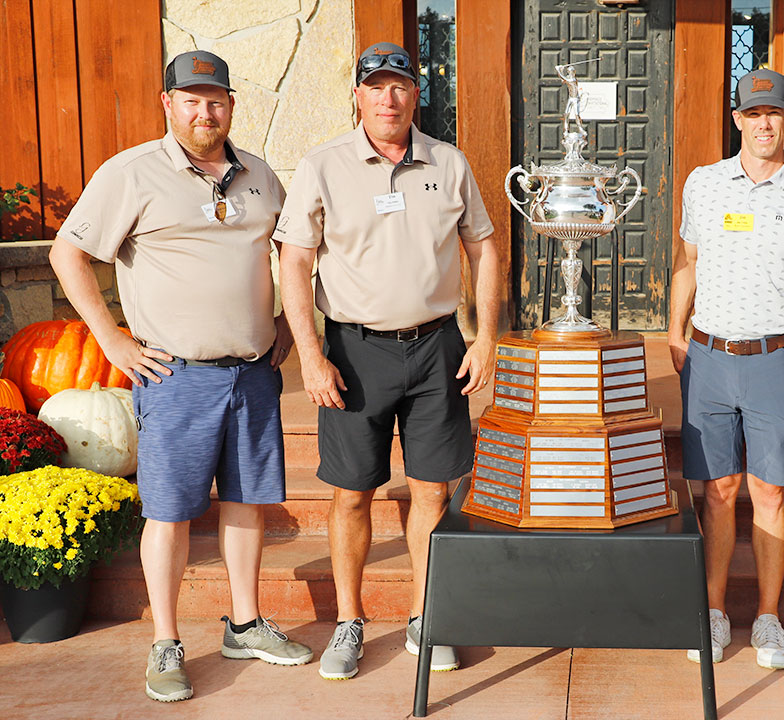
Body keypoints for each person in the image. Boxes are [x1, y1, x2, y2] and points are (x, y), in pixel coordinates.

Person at [49, 51, 312, 703]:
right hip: (175, 376)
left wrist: (288, 325)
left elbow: (295, 251)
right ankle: (166, 641)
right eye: (191, 99)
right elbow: (68, 253)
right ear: (168, 103)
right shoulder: (132, 173)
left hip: (252, 374)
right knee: (167, 513)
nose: (205, 110)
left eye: (216, 98)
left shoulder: (259, 175)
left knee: (249, 501)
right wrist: (109, 337)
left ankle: (246, 624)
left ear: (231, 103)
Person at [276, 41, 500, 680]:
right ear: (358, 95)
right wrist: (312, 358)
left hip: (437, 350)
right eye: (375, 86)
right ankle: (350, 622)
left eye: (399, 85)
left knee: (433, 488)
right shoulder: (322, 166)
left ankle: (427, 618)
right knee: (353, 493)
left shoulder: (448, 163)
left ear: (415, 93)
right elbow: (294, 260)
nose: (388, 97)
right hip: (354, 351)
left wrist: (483, 338)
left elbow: (482, 248)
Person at [669, 68, 784, 670]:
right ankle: (714, 613)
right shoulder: (704, 184)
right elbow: (687, 262)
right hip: (711, 357)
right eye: (753, 113)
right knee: (717, 491)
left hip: (777, 358)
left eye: (774, 113)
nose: (764, 122)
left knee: (768, 492)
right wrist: (674, 331)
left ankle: (768, 619)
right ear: (737, 119)